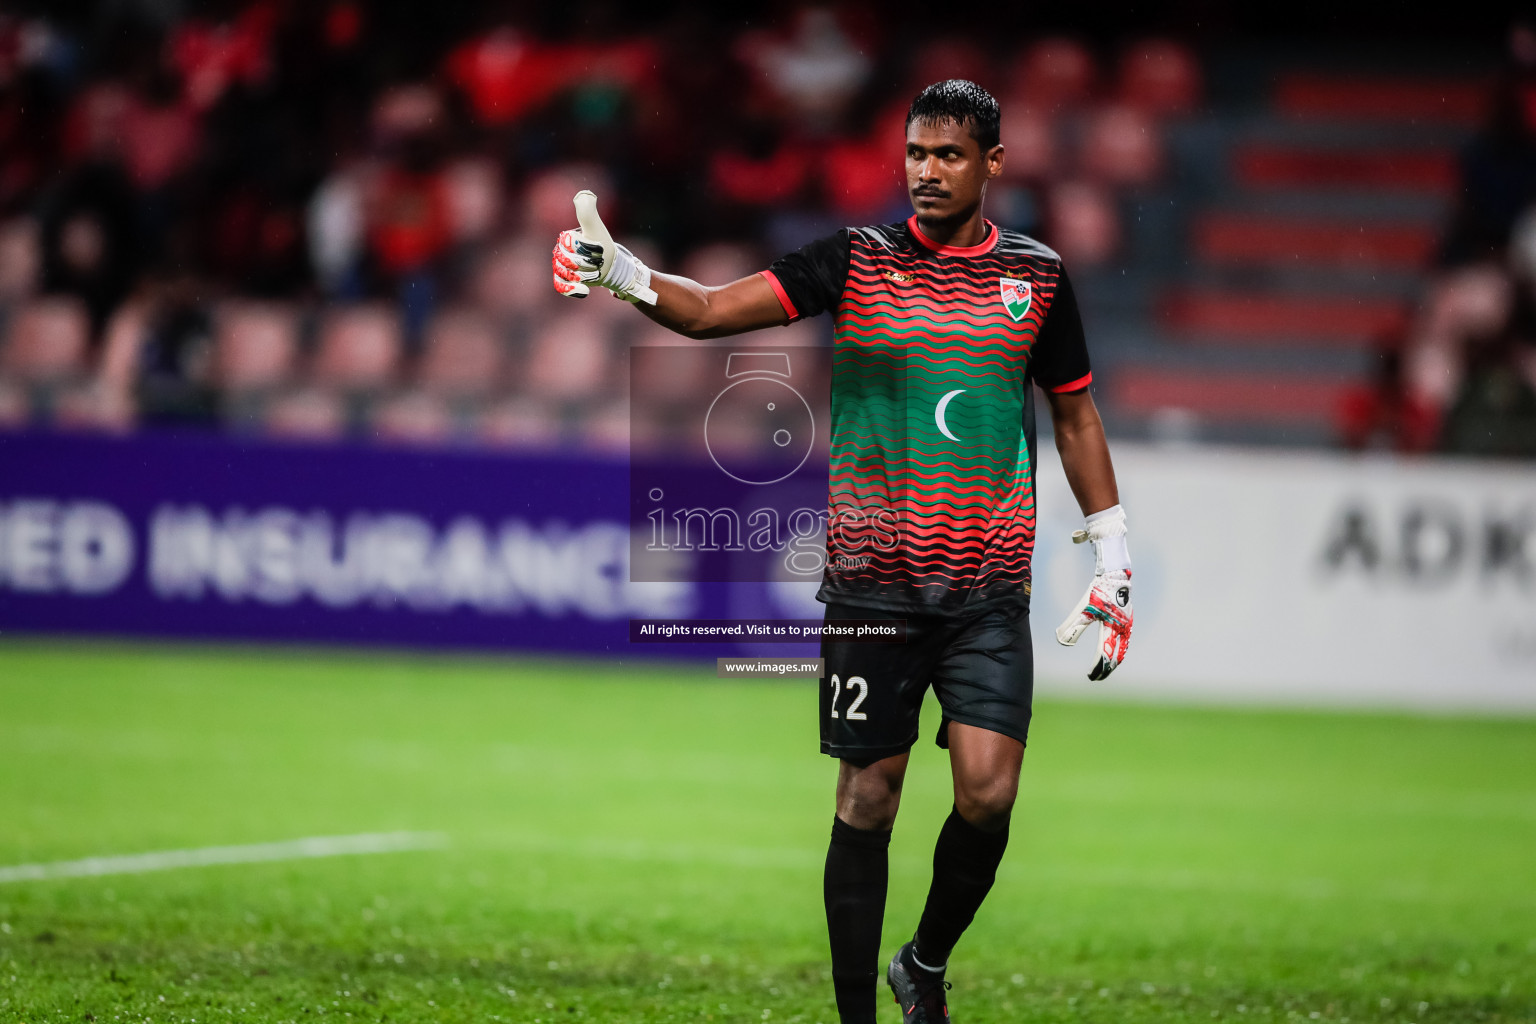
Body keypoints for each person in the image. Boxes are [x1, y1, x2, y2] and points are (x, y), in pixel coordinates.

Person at [551, 79, 1134, 1024]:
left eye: (949, 155)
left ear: (993, 163)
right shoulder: (856, 260)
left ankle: (927, 961)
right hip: (874, 585)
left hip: (989, 590)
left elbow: (1075, 411)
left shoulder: (1039, 276)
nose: (928, 172)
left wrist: (1112, 557)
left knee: (988, 796)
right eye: (916, 153)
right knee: (869, 799)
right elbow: (706, 311)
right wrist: (622, 272)